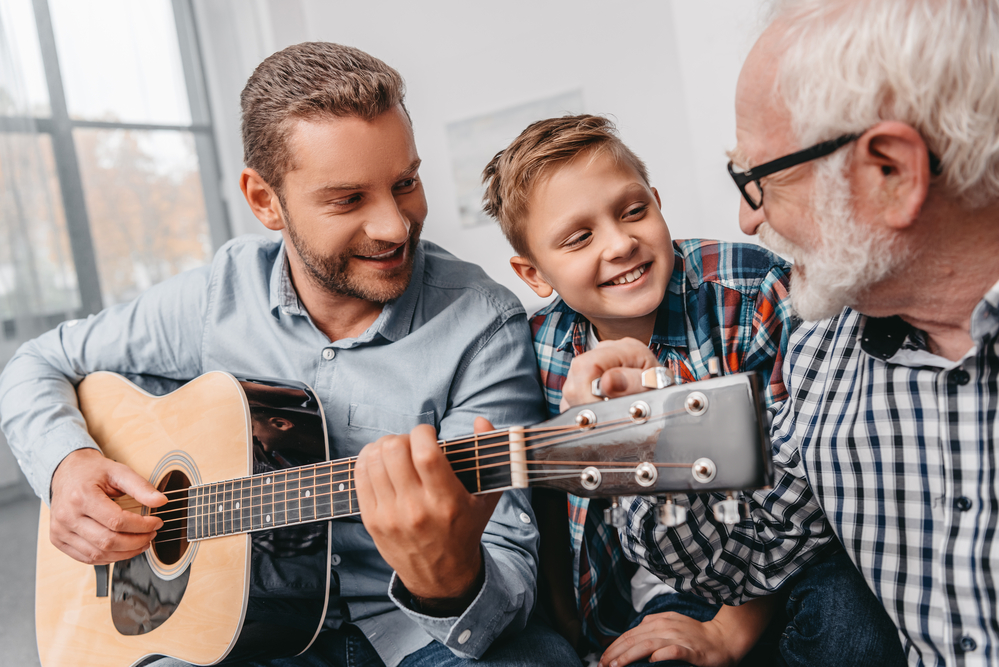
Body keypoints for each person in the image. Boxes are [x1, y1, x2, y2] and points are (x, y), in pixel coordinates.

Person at [0, 42, 579, 667]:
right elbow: (37, 362)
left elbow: (508, 569)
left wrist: (447, 579)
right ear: (264, 200)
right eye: (348, 199)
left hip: (415, 634)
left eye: (405, 183)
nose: (394, 226)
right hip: (236, 625)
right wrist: (68, 465)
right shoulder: (217, 296)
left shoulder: (482, 324)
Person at [557, 1, 999, 665]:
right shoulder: (826, 356)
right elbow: (748, 555)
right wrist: (641, 443)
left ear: (891, 172)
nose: (745, 218)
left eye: (759, 180)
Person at [480, 114, 902, 667]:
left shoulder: (754, 294)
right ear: (534, 275)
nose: (621, 243)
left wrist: (728, 629)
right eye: (579, 238)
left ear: (657, 202)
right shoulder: (537, 350)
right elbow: (550, 515)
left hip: (794, 565)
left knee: (857, 630)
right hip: (656, 588)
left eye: (633, 211)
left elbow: (807, 501)